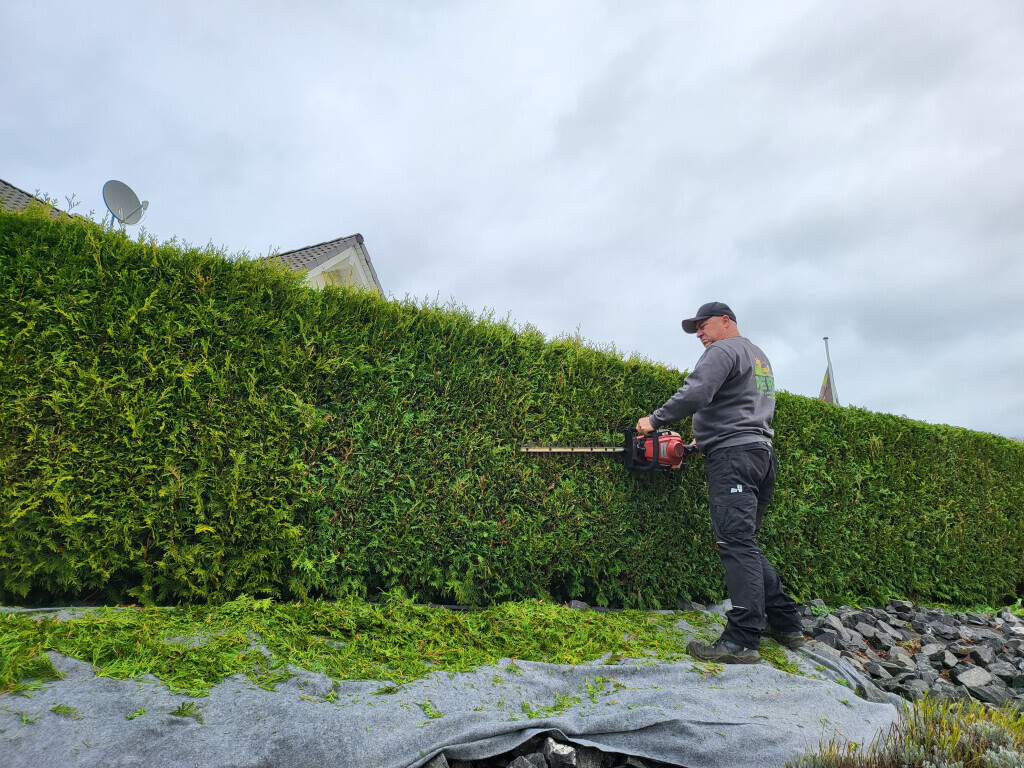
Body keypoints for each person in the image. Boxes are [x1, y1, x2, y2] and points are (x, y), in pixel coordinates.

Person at [635, 301, 805, 664]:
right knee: (745, 542)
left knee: (734, 543)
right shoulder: (757, 356)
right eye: (695, 328)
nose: (699, 332)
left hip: (735, 459)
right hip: (760, 454)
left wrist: (655, 419)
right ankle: (787, 623)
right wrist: (703, 442)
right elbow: (741, 407)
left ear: (726, 321)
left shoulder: (722, 349)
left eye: (703, 325)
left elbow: (697, 392)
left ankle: (741, 640)